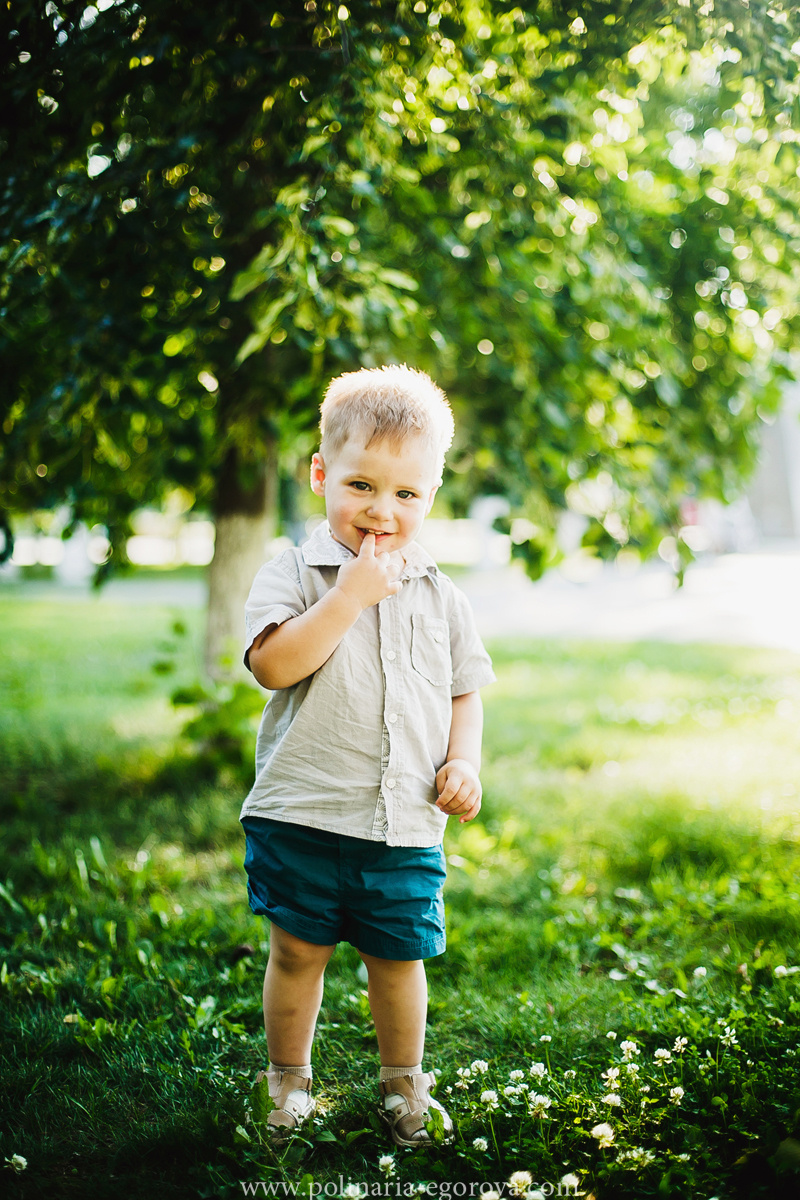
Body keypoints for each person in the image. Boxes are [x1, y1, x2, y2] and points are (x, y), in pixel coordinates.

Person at [240, 364, 495, 1147]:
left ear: (431, 493)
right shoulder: (294, 572)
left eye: (406, 495)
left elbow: (464, 690)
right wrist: (348, 595)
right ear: (321, 474)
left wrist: (465, 761)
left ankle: (402, 1085)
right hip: (304, 811)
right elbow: (274, 666)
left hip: (404, 820)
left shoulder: (442, 594)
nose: (382, 512)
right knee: (298, 953)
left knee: (398, 960)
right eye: (361, 486)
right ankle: (287, 1081)